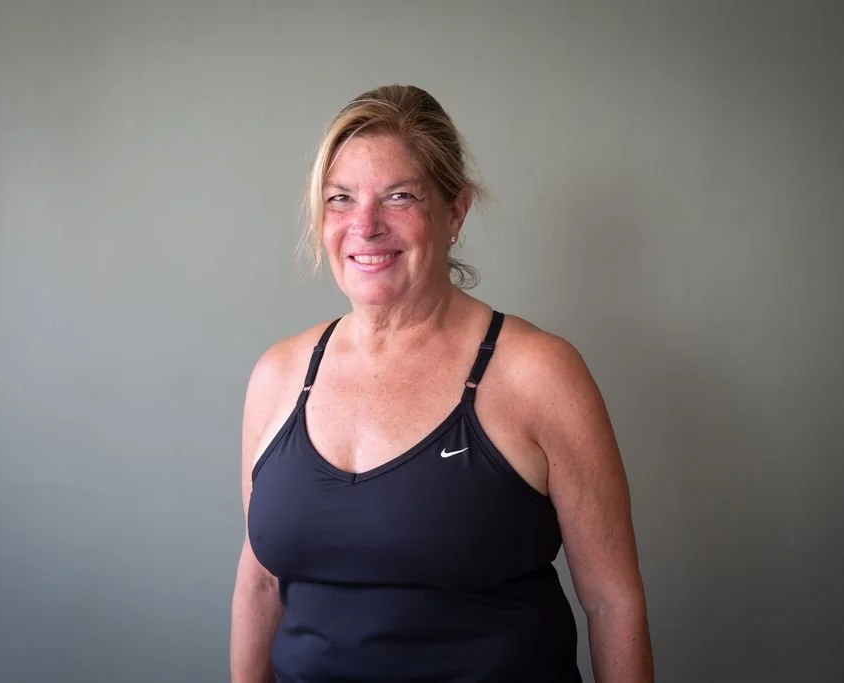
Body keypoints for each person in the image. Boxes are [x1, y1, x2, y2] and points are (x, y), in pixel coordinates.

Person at [231, 84, 653, 683]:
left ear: (455, 211)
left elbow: (612, 602)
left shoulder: (538, 373)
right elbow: (260, 581)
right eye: (340, 199)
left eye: (398, 197)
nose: (365, 226)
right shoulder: (278, 375)